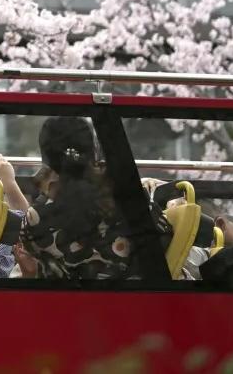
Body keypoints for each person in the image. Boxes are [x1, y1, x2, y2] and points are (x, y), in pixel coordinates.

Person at [11, 116, 170, 281]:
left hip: (71, 305)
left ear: (47, 158)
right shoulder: (127, 192)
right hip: (137, 302)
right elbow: (163, 235)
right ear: (93, 149)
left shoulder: (35, 218)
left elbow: (36, 268)